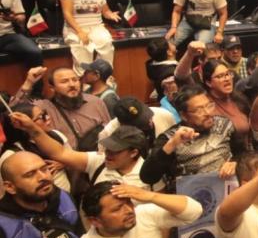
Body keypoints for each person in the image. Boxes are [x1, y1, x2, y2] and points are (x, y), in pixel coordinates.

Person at [57, 181, 202, 238]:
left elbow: (194, 211)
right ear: (95, 221)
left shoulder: (143, 215)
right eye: (117, 209)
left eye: (128, 203)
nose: (128, 211)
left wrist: (151, 196)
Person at [10, 111, 158, 191]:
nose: (107, 154)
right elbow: (60, 153)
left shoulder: (151, 174)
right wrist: (33, 129)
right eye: (107, 148)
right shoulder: (98, 161)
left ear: (133, 152)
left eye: (115, 151)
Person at [140, 85, 242, 189]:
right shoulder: (170, 138)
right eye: (199, 110)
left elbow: (243, 153)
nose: (208, 113)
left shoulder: (224, 124)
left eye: (209, 106)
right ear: (184, 115)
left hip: (227, 187)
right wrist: (171, 144)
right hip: (191, 196)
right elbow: (147, 177)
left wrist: (235, 162)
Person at [0, 151, 79, 238]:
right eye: (30, 174)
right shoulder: (3, 226)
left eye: (44, 169)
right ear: (10, 187)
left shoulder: (63, 198)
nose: (43, 177)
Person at [11, 66, 110, 150]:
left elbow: (110, 131)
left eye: (75, 80)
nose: (72, 85)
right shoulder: (43, 107)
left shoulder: (96, 102)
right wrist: (29, 82)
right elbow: (13, 112)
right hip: (66, 164)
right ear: (52, 88)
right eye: (64, 81)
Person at [60, 0, 120, 76]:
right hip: (75, 28)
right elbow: (67, 14)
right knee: (82, 52)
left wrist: (110, 14)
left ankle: (104, 79)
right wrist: (80, 31)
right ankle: (84, 85)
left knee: (106, 45)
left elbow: (105, 11)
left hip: (97, 27)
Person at [1, 103, 71, 192]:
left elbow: (74, 160)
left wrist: (66, 162)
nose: (48, 117)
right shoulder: (11, 156)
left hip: (67, 198)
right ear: (22, 124)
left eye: (45, 113)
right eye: (41, 116)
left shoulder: (56, 135)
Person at [0, 0, 43, 67]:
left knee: (34, 52)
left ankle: (34, 83)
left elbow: (21, 17)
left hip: (6, 36)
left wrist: (13, 18)